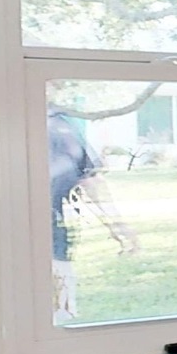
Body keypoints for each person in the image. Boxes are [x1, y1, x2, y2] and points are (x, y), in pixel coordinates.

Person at [48, 110, 138, 320]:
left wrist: (116, 224)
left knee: (58, 315)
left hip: (54, 240)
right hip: (16, 243)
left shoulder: (60, 125)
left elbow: (89, 178)